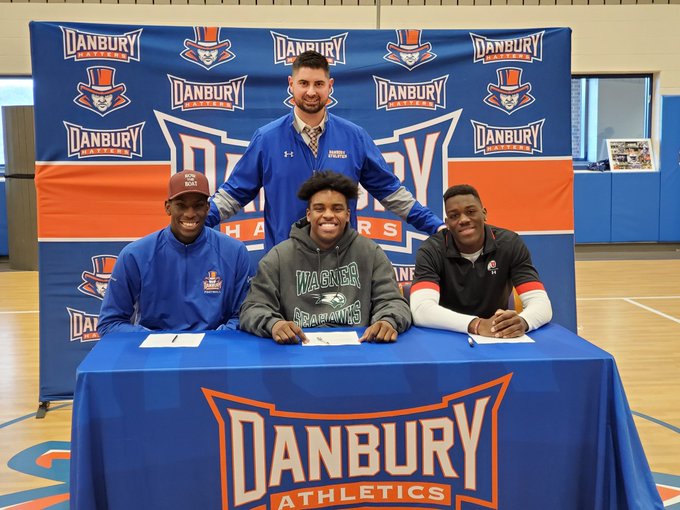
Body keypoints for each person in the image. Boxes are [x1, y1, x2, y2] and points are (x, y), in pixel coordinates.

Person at [206, 50, 444, 252]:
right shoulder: (267, 139)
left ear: (330, 86)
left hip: (342, 265)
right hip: (285, 266)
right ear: (291, 85)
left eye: (319, 84)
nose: (311, 92)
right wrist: (198, 221)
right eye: (304, 83)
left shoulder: (354, 137)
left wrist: (436, 226)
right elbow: (233, 195)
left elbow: (391, 192)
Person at [239, 171, 411, 344]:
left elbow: (394, 301)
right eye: (319, 208)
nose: (328, 215)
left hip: (359, 348)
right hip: (297, 349)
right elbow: (252, 308)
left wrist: (387, 321)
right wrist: (274, 324)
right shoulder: (278, 257)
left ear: (347, 215)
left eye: (337, 209)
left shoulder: (370, 252)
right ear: (308, 214)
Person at [97, 170, 252, 336]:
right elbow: (110, 323)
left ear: (208, 208)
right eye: (181, 205)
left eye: (198, 205)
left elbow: (243, 317)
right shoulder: (135, 255)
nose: (190, 214)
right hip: (154, 354)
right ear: (167, 207)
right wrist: (158, 341)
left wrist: (210, 341)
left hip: (213, 351)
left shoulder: (234, 252)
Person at [410, 184, 552, 338]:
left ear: (484, 213)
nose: (463, 220)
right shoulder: (431, 250)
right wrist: (476, 325)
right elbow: (421, 310)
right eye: (454, 216)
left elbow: (541, 303)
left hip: (497, 336)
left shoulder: (510, 244)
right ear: (447, 223)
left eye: (471, 212)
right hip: (446, 335)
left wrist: (522, 322)